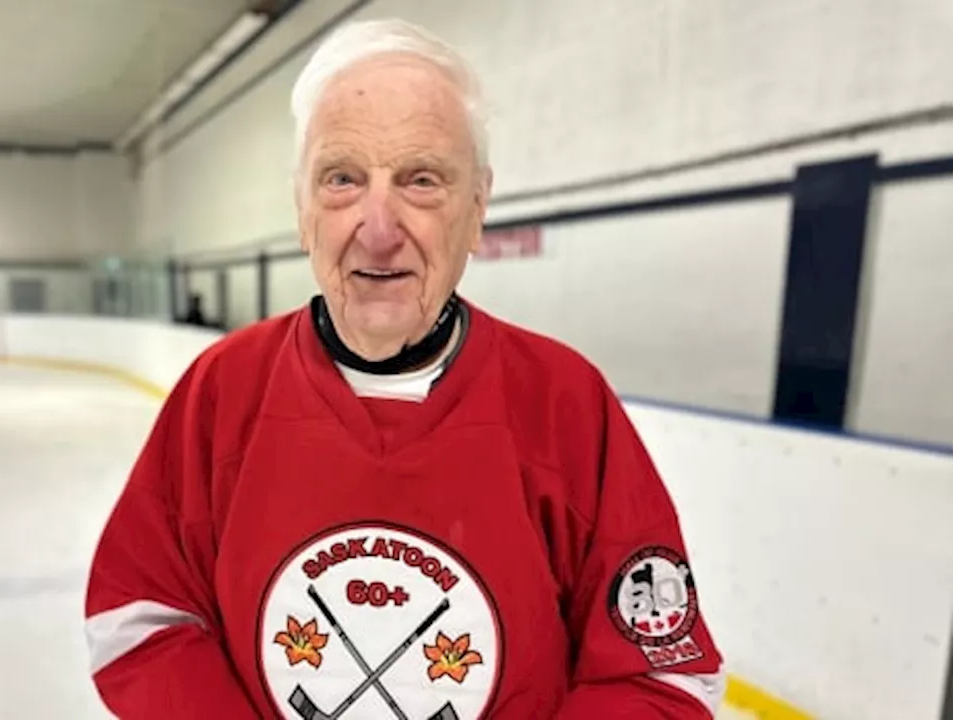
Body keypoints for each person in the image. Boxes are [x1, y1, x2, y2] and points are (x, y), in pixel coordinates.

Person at [84, 18, 724, 719]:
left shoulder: (567, 403)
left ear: (477, 210)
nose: (379, 228)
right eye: (341, 179)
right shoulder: (221, 391)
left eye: (422, 180)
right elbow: (141, 620)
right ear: (301, 211)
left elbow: (663, 677)